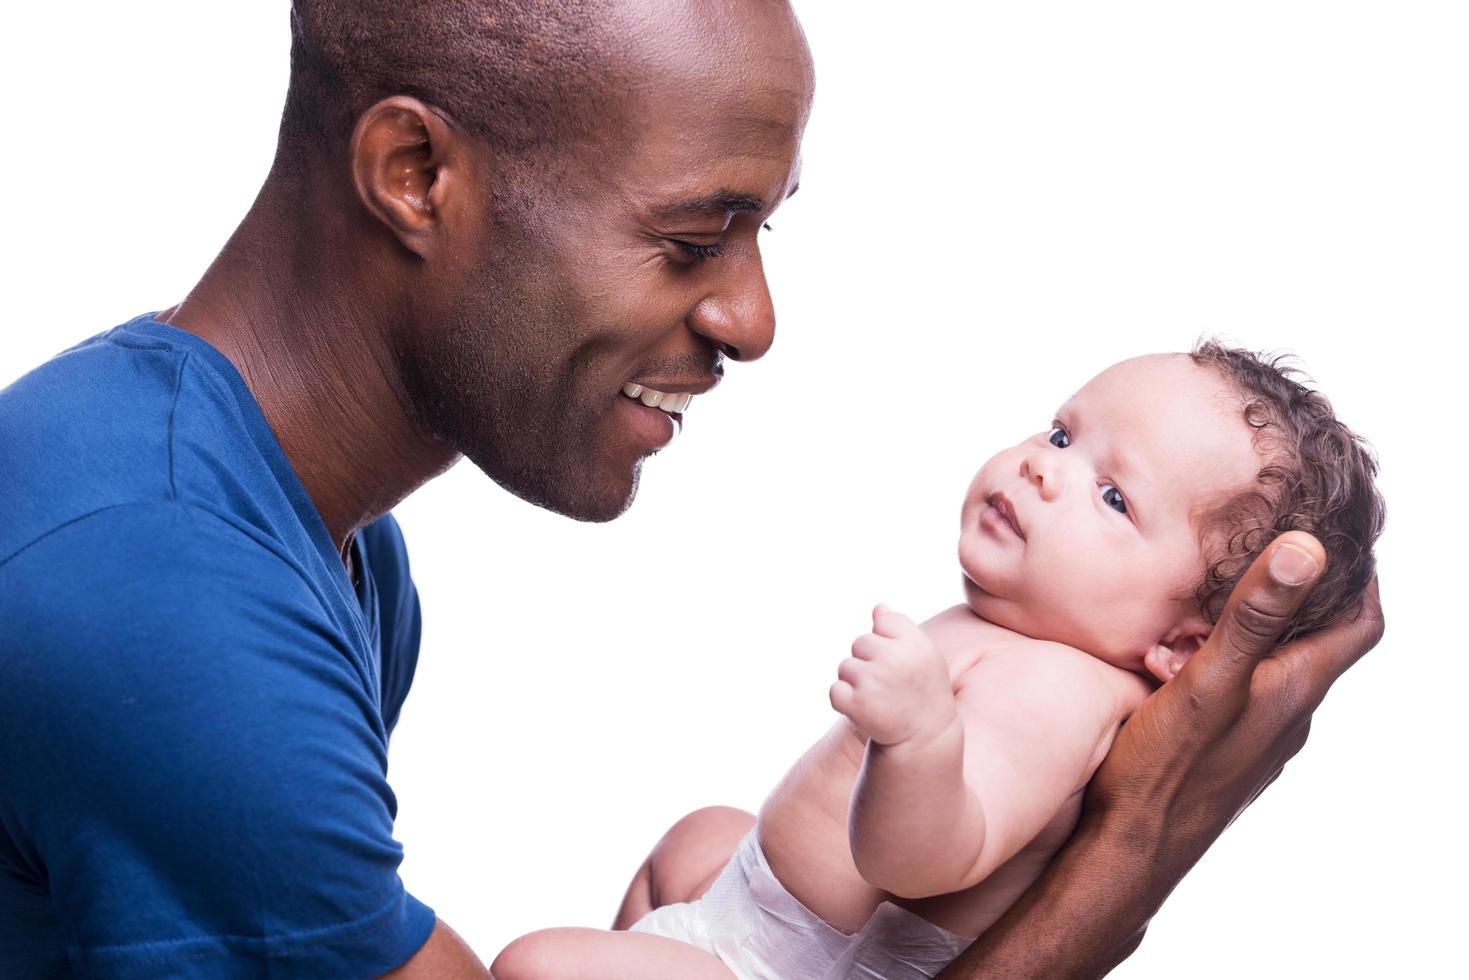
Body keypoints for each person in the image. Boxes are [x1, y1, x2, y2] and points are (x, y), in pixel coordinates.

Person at [0, 2, 1382, 978]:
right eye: (691, 237)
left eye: (760, 232)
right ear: (415, 175)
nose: (752, 319)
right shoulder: (168, 603)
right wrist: (1130, 860)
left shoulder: (310, 542)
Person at [490, 344, 1383, 979]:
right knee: (699, 834)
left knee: (534, 965)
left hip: (804, 970)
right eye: (1062, 435)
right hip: (763, 915)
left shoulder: (1059, 690)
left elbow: (921, 862)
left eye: (1113, 497)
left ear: (1183, 645)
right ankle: (661, 947)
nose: (1041, 469)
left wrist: (918, 736)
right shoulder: (1023, 632)